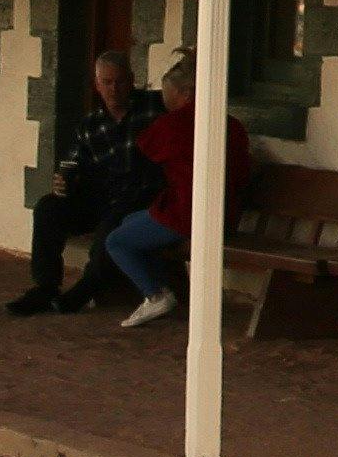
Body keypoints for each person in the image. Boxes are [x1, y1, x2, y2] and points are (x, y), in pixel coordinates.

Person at [17, 49, 150, 314]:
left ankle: (87, 287)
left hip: (137, 198)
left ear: (132, 80)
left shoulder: (151, 111)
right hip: (100, 196)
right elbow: (73, 163)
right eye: (107, 82)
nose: (114, 89)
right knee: (48, 207)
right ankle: (45, 286)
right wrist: (63, 181)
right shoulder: (90, 124)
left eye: (120, 81)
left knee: (115, 223)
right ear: (97, 85)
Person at [99, 57, 205, 335]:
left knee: (117, 240)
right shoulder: (225, 121)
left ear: (184, 93)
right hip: (222, 210)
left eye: (167, 94)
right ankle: (163, 288)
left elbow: (147, 145)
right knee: (132, 220)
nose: (164, 100)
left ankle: (156, 295)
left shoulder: (178, 123)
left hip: (187, 212)